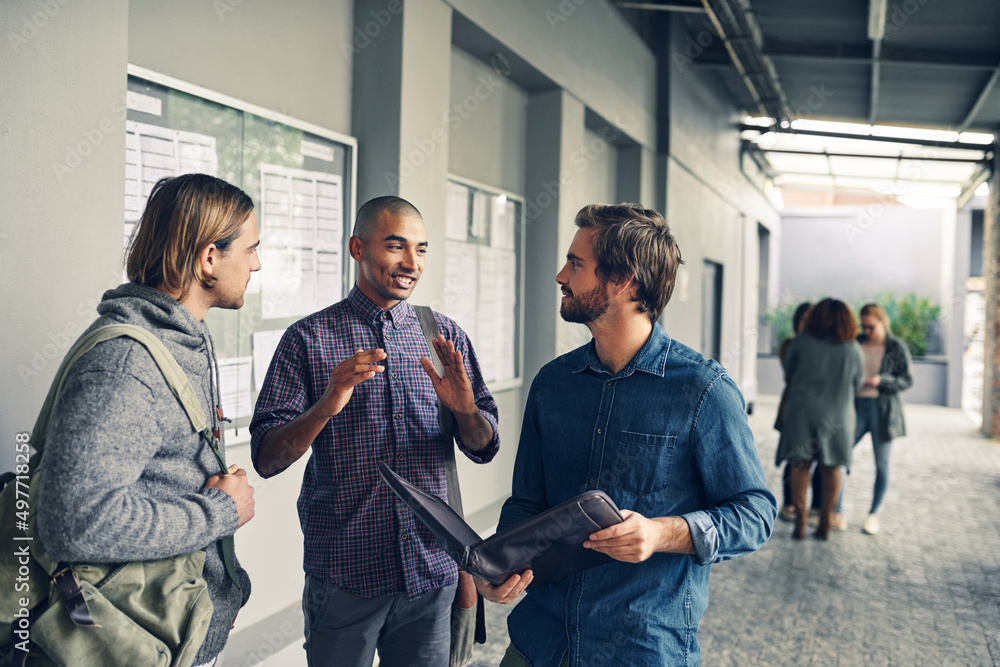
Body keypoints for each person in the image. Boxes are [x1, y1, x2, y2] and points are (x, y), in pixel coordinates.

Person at [476, 203, 776, 666]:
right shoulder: (553, 384)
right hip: (540, 642)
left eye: (576, 264)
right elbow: (527, 502)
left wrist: (662, 533)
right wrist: (501, 562)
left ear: (623, 280)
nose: (560, 275)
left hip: (640, 647)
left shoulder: (703, 390)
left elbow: (755, 514)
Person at [250, 196, 500, 667]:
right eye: (396, 246)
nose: (412, 263)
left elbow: (484, 446)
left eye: (421, 249)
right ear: (357, 248)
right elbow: (267, 457)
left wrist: (467, 413)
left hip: (430, 574)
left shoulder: (443, 336)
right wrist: (326, 406)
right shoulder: (308, 339)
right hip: (346, 576)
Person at [35, 173, 259, 667]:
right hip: (121, 641)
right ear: (208, 258)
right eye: (250, 249)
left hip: (173, 631)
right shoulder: (126, 365)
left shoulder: (185, 339)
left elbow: (164, 471)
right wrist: (219, 513)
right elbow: (73, 521)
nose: (257, 264)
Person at [775, 298, 864, 540]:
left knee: (800, 463)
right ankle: (826, 519)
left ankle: (800, 521)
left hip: (801, 411)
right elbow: (858, 383)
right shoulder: (853, 348)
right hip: (838, 414)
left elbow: (789, 371)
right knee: (832, 465)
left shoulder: (801, 342)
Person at [843, 303, 913, 535]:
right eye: (863, 326)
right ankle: (836, 512)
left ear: (883, 322)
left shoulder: (896, 347)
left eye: (871, 326)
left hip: (882, 410)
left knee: (882, 465)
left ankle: (873, 515)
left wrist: (881, 381)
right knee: (839, 458)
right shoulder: (856, 342)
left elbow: (906, 380)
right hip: (855, 407)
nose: (867, 331)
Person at [775, 301, 812, 522]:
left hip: (809, 406)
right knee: (794, 456)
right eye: (804, 319)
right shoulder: (791, 344)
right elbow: (791, 373)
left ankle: (813, 506)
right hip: (793, 404)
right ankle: (790, 503)